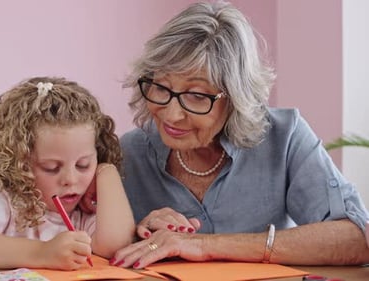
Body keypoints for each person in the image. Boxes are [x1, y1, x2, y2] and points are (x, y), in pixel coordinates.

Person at [108, 1, 369, 269]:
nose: (172, 114)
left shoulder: (284, 137)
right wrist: (137, 231)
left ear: (236, 98)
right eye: (161, 88)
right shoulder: (128, 154)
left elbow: (358, 238)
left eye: (197, 96)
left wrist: (203, 245)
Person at [0, 76, 135, 270]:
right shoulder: (6, 198)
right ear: (18, 163)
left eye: (83, 165)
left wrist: (106, 171)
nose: (70, 179)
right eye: (51, 167)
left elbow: (115, 245)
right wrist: (42, 253)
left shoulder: (84, 207)